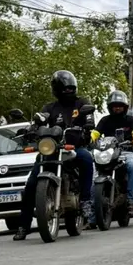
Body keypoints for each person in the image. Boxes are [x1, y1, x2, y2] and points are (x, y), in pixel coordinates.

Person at [13, 71, 96, 241]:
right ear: (57, 89)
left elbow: (89, 118)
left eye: (70, 88)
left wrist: (87, 125)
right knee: (30, 185)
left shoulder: (82, 103)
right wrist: (31, 129)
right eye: (65, 88)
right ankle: (23, 225)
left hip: (73, 147)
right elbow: (39, 121)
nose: (68, 91)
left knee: (86, 158)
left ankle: (85, 201)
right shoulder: (49, 108)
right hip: (52, 150)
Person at [91, 90, 133, 216]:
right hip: (107, 153)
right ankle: (92, 213)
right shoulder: (105, 120)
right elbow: (95, 133)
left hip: (126, 152)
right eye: (114, 106)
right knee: (94, 174)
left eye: (120, 106)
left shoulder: (130, 120)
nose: (117, 108)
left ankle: (132, 201)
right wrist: (89, 138)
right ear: (110, 107)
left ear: (124, 107)